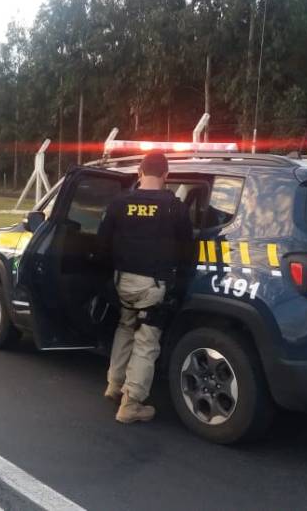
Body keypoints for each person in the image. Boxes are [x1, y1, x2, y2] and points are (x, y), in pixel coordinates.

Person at [97, 153, 193, 424]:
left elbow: (102, 242)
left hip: (122, 281)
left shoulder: (119, 202)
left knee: (126, 326)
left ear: (139, 172)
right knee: (146, 340)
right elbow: (187, 251)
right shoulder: (175, 208)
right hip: (152, 285)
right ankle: (132, 403)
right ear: (166, 175)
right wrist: (180, 285)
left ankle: (114, 385)